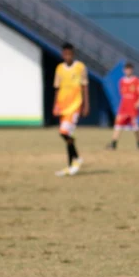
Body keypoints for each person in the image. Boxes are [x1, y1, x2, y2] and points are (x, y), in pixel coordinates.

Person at [53, 43, 89, 177]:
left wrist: (86, 105)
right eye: (65, 54)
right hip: (63, 106)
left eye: (70, 54)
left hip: (75, 106)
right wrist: (55, 105)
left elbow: (85, 86)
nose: (67, 56)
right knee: (68, 135)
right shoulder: (59, 69)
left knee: (64, 132)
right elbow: (57, 88)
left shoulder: (80, 67)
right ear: (62, 54)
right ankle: (75, 161)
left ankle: (73, 163)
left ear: (73, 54)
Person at [107, 62, 139, 150]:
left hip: (132, 107)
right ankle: (113, 143)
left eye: (130, 69)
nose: (128, 71)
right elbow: (122, 93)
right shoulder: (122, 81)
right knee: (118, 125)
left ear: (132, 70)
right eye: (127, 69)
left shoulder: (136, 80)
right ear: (124, 70)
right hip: (123, 107)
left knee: (135, 127)